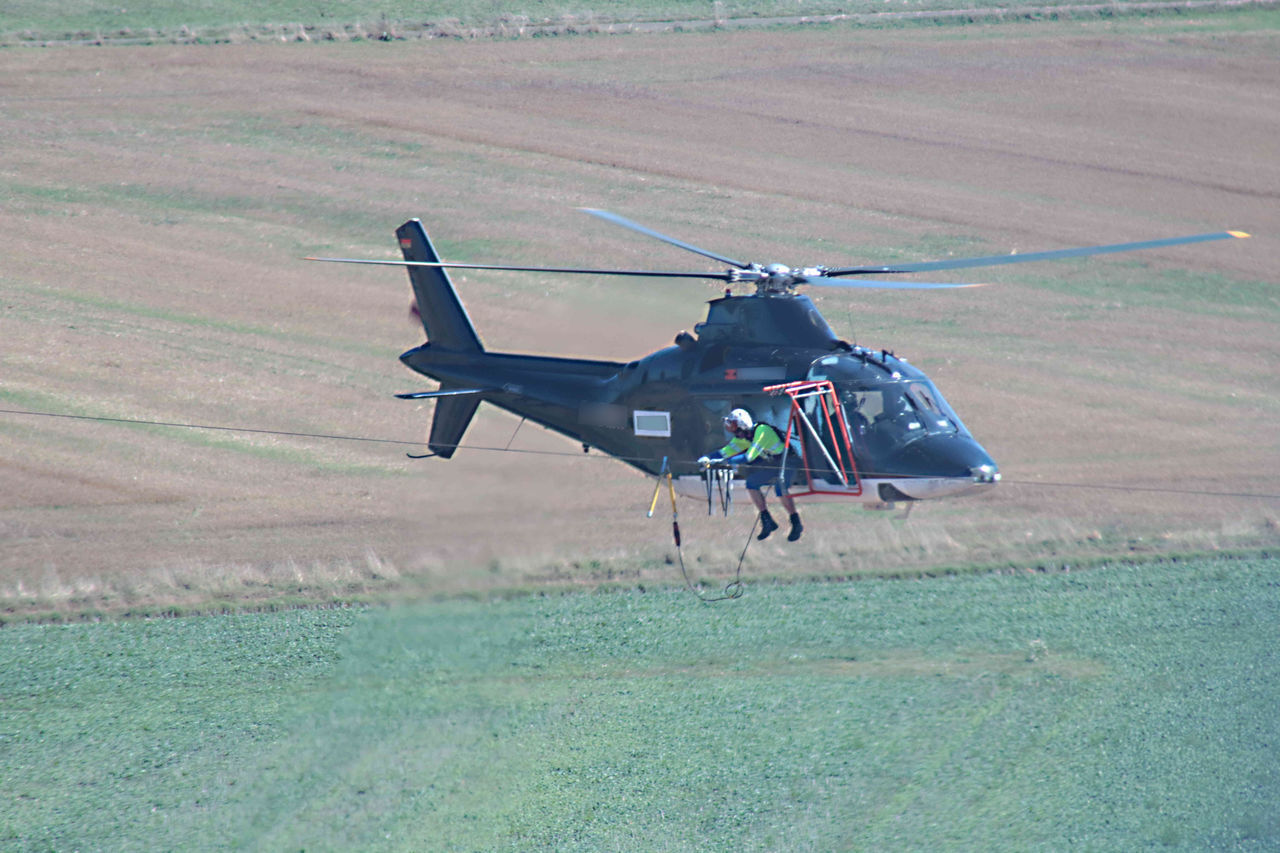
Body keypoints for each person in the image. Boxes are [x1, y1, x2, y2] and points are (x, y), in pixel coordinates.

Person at [698, 408, 803, 541]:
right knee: (751, 483)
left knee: (779, 487)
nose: (735, 434)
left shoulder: (762, 431)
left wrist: (724, 462)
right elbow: (726, 451)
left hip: (788, 461)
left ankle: (796, 523)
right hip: (774, 463)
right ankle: (767, 520)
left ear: (743, 426)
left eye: (735, 429)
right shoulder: (743, 438)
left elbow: (749, 457)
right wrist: (707, 458)